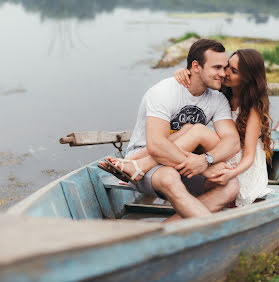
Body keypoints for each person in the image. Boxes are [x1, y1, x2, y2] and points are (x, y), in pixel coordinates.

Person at [99, 39, 241, 222]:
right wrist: (203, 168)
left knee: (230, 185)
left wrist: (206, 160)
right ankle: (219, 233)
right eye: (217, 68)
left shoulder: (217, 99)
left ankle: (162, 233)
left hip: (180, 160)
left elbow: (233, 142)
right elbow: (157, 145)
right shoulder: (164, 92)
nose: (223, 74)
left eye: (225, 67)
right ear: (196, 66)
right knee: (169, 176)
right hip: (148, 157)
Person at [174, 48, 273, 207]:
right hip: (224, 148)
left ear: (247, 78)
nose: (225, 73)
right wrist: (182, 72)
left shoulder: (253, 106)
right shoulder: (223, 91)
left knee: (197, 131)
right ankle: (153, 164)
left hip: (241, 162)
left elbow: (249, 155)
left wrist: (232, 173)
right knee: (186, 129)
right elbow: (201, 80)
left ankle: (150, 165)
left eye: (233, 71)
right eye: (226, 66)